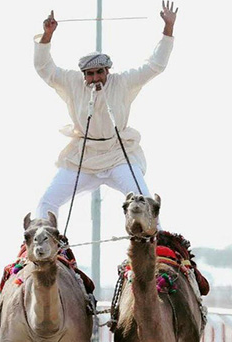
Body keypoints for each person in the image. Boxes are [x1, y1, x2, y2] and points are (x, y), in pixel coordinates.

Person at [34, 1, 178, 219]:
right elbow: (45, 68)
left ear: (107, 70)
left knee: (145, 203)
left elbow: (155, 65)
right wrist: (47, 35)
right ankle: (49, 251)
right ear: (83, 74)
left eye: (99, 72)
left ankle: (158, 251)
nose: (95, 79)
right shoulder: (72, 82)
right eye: (89, 74)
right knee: (46, 202)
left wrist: (168, 28)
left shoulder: (122, 82)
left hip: (118, 154)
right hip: (82, 156)